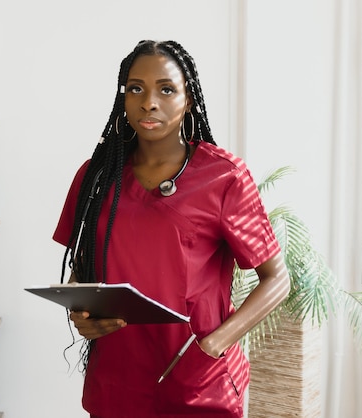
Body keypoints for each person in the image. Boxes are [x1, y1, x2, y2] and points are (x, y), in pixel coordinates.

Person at [53, 40, 290, 418]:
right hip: (117, 380)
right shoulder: (96, 176)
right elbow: (83, 266)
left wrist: (214, 345)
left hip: (197, 378)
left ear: (189, 99)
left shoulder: (224, 176)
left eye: (166, 89)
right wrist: (81, 313)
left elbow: (277, 279)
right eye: (136, 89)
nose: (149, 102)